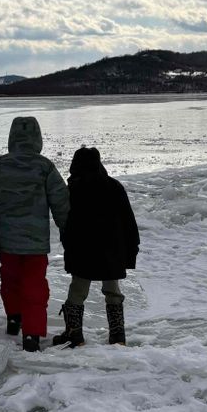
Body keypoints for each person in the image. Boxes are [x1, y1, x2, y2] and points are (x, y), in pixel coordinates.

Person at [0, 116, 70, 352]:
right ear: (38, 138)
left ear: (12, 138)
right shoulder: (44, 166)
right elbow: (61, 201)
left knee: (10, 280)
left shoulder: (1, 165)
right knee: (34, 285)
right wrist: (66, 230)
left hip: (7, 241)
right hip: (35, 243)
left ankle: (14, 318)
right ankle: (31, 333)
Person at [52, 146, 139, 347]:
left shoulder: (73, 189)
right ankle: (118, 337)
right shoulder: (114, 186)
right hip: (112, 251)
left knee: (78, 291)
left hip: (83, 251)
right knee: (113, 291)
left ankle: (74, 335)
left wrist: (68, 247)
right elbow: (129, 222)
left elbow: (66, 223)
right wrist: (130, 250)